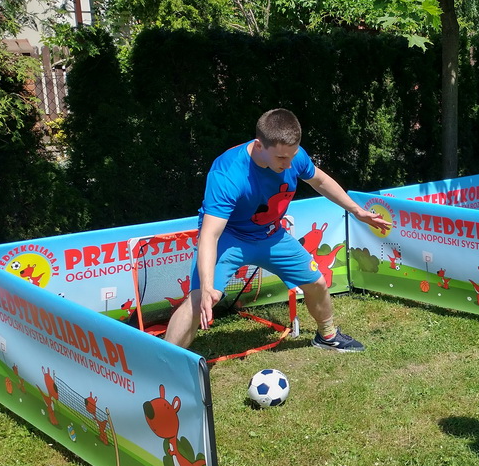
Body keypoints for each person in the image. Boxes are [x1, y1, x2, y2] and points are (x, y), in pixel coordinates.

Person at [164, 108, 391, 351]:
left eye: (292, 156)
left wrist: (356, 211)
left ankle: (327, 335)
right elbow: (210, 234)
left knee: (316, 282)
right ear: (259, 145)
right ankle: (162, 361)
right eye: (282, 158)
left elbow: (320, 180)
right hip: (230, 239)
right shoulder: (227, 174)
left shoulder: (292, 156)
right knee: (199, 298)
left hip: (272, 235)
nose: (289, 164)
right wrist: (208, 286)